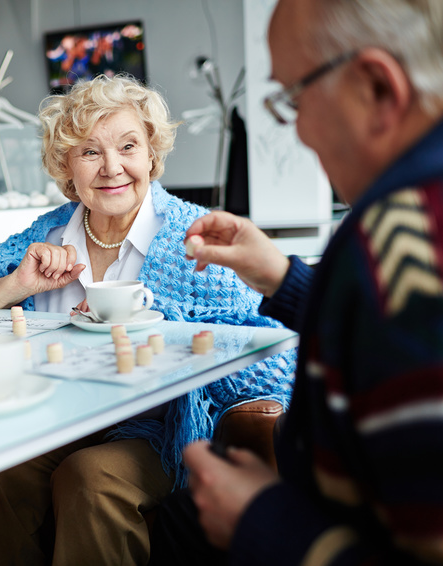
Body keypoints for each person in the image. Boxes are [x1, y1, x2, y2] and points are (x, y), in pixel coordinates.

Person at [0, 74, 296, 566]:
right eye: (89, 152)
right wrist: (16, 286)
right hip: (55, 418)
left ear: (151, 154)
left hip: (159, 432)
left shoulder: (193, 237)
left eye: (128, 146)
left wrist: (153, 327)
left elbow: (268, 353)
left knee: (91, 479)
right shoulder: (49, 232)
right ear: (66, 165)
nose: (112, 168)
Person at [149, 1, 443, 564]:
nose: (299, 130)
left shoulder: (401, 245)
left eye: (296, 98)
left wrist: (262, 521)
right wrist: (283, 279)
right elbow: (379, 334)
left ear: (379, 89)